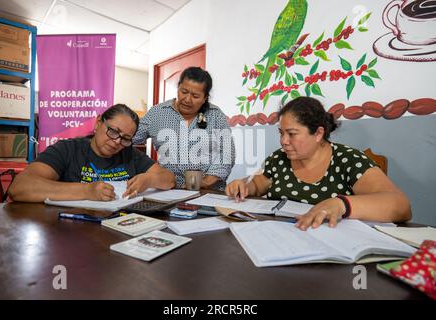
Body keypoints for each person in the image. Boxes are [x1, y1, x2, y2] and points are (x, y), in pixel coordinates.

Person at [226, 97, 411, 230]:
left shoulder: (347, 160)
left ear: (318, 133)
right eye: (281, 133)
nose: (284, 141)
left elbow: (400, 206)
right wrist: (245, 186)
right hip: (281, 240)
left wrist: (341, 205)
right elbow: (259, 185)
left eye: (291, 133)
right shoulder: (280, 158)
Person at [8, 104, 176, 202]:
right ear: (97, 123)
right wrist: (86, 191)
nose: (117, 142)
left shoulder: (129, 153)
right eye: (113, 131)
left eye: (125, 138)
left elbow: (169, 179)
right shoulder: (68, 149)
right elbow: (19, 187)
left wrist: (148, 179)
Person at [133, 66, 235, 190]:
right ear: (178, 87)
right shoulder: (157, 113)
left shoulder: (215, 115)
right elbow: (128, 138)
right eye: (184, 92)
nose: (187, 99)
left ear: (205, 98)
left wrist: (206, 181)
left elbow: (227, 153)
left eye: (195, 96)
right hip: (168, 191)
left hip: (208, 192)